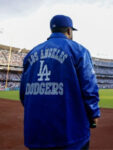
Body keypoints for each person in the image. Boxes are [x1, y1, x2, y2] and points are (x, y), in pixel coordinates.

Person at [20, 15, 100, 150]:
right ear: (69, 31)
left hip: (36, 135)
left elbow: (23, 94)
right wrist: (94, 114)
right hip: (71, 135)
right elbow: (89, 88)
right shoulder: (79, 51)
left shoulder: (31, 53)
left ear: (52, 30)